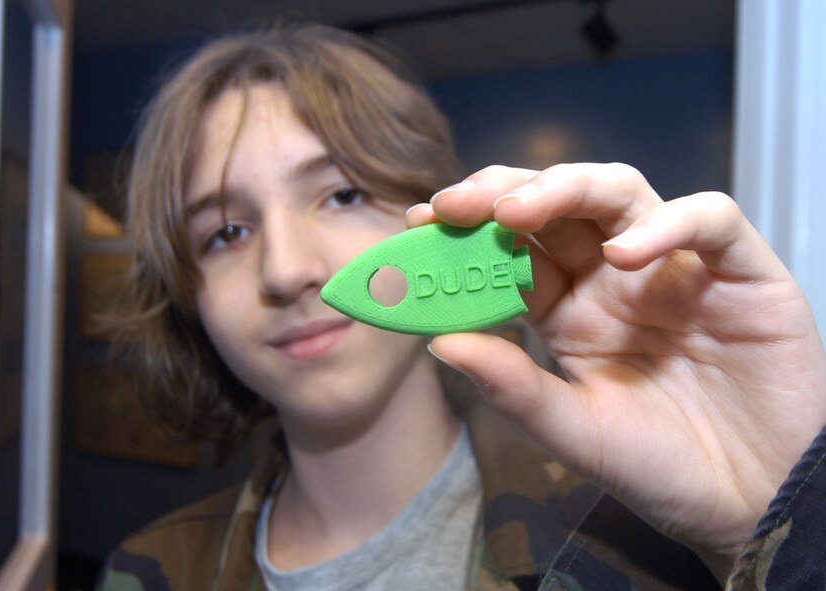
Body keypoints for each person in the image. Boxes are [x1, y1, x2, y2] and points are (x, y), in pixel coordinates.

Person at [95, 22, 826, 591]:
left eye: (342, 192)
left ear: (437, 222)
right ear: (187, 295)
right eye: (225, 231)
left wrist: (779, 522)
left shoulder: (642, 541)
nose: (286, 269)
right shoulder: (145, 568)